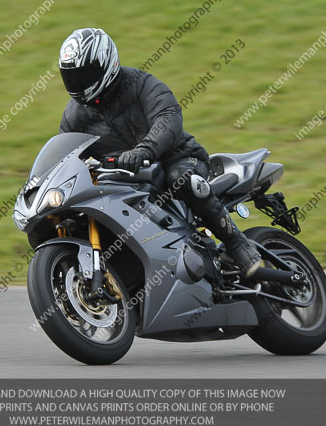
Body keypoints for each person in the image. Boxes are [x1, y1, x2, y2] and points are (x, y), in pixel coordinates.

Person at [57, 27, 263, 277]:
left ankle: (238, 245)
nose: (79, 84)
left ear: (107, 63)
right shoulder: (74, 116)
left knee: (181, 179)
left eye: (85, 75)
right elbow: (65, 153)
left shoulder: (139, 83)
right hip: (124, 178)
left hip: (177, 158)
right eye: (72, 77)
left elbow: (168, 116)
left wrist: (145, 149)